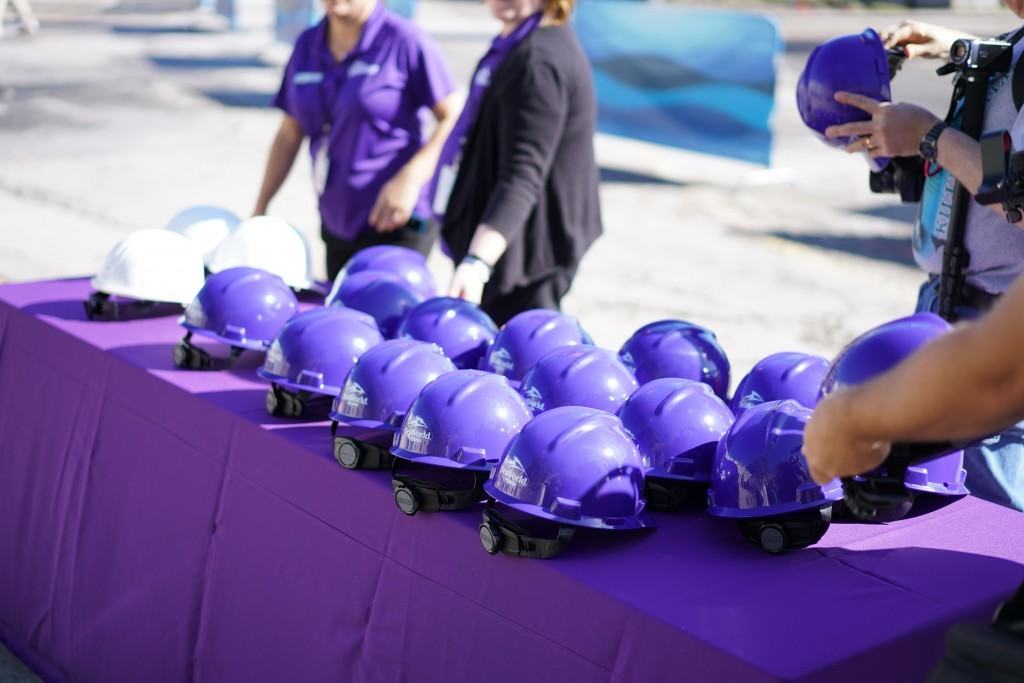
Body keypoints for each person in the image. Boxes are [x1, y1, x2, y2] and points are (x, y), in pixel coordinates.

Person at [822, 5, 1024, 509]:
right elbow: (1005, 152)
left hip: (995, 332)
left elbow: (1016, 198)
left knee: (990, 516)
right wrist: (949, 43)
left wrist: (929, 137)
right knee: (937, 496)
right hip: (954, 307)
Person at [254, 0, 458, 281]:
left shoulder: (405, 41)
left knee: (382, 316)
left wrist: (410, 178)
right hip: (337, 220)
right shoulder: (307, 45)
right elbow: (290, 133)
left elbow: (454, 117)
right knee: (342, 319)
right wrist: (260, 207)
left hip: (394, 221)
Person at [436, 0, 601, 326]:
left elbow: (523, 174)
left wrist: (478, 262)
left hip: (527, 255)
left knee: (517, 358)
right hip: (513, 239)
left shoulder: (537, 61)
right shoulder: (516, 44)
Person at [803, 270, 1024, 486]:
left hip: (984, 315)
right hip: (954, 303)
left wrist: (851, 417)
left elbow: (1004, 372)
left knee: (985, 513)